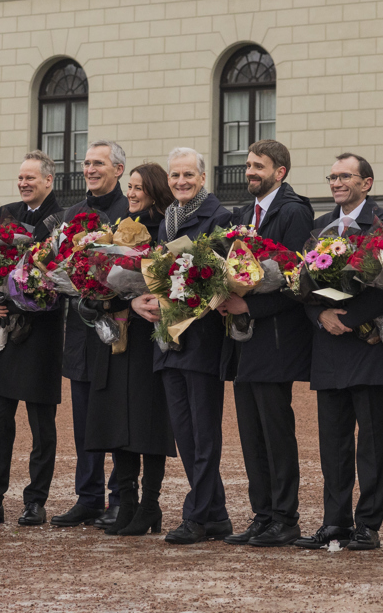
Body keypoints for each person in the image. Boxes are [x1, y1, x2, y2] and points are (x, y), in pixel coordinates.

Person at [294, 154, 383, 551]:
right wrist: (321, 315)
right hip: (329, 345)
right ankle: (334, 522)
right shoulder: (319, 227)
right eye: (333, 176)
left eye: (346, 176)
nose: (337, 182)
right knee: (332, 443)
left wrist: (350, 317)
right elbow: (300, 284)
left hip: (369, 344)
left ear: (367, 183)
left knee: (372, 442)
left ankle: (368, 524)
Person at [132, 147, 234, 545]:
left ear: (203, 178)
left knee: (204, 433)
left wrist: (174, 302)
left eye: (188, 175)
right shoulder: (167, 222)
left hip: (201, 340)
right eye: (175, 176)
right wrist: (149, 300)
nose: (180, 182)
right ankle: (217, 515)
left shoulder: (220, 218)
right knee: (186, 434)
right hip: (168, 342)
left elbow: (216, 281)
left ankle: (196, 515)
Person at [221, 138, 315, 548]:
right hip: (244, 340)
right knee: (250, 430)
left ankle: (285, 517)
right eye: (247, 166)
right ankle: (262, 515)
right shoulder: (243, 214)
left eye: (258, 166)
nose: (250, 172)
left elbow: (295, 276)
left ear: (280, 171)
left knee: (275, 429)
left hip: (275, 336)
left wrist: (248, 307)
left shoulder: (294, 211)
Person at [0, 153, 67, 527]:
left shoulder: (63, 218)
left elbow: (65, 271)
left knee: (42, 426)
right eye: (20, 178)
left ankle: (35, 501)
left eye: (30, 178)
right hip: (1, 331)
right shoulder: (5, 213)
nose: (23, 183)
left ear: (48, 181)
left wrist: (34, 291)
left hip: (39, 333)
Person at [85, 162, 177, 536]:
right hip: (116, 339)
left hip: (148, 341)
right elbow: (93, 293)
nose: (132, 193)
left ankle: (150, 506)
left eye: (139, 187)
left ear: (154, 190)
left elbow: (173, 286)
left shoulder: (165, 233)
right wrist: (114, 301)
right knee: (117, 424)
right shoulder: (115, 231)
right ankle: (127, 502)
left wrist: (143, 301)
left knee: (147, 425)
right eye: (130, 187)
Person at [48, 142, 128, 529]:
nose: (90, 169)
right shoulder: (71, 215)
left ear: (119, 168)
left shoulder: (130, 213)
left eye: (98, 163)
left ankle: (119, 496)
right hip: (80, 329)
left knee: (112, 415)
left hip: (116, 326)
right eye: (86, 163)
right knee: (82, 419)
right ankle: (88, 496)